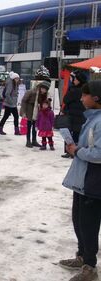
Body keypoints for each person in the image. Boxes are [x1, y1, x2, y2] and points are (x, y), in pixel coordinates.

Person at [59, 81, 101, 281]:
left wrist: (77, 151)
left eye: (85, 95)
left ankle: (90, 267)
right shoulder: (91, 118)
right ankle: (83, 256)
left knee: (89, 225)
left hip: (94, 183)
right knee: (79, 221)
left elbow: (99, 153)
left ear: (96, 98)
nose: (81, 98)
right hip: (82, 181)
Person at [61, 70, 87, 158]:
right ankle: (76, 151)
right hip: (81, 114)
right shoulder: (86, 89)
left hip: (72, 114)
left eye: (75, 79)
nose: (73, 81)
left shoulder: (74, 90)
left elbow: (65, 99)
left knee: (68, 133)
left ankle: (70, 151)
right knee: (77, 133)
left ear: (79, 80)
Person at [20, 80, 51, 148]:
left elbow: (46, 104)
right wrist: (23, 112)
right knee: (28, 127)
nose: (43, 90)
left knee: (35, 127)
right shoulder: (32, 92)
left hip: (38, 112)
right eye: (42, 88)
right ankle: (28, 141)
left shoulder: (46, 95)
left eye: (45, 90)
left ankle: (34, 140)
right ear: (40, 87)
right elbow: (24, 101)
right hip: (29, 111)